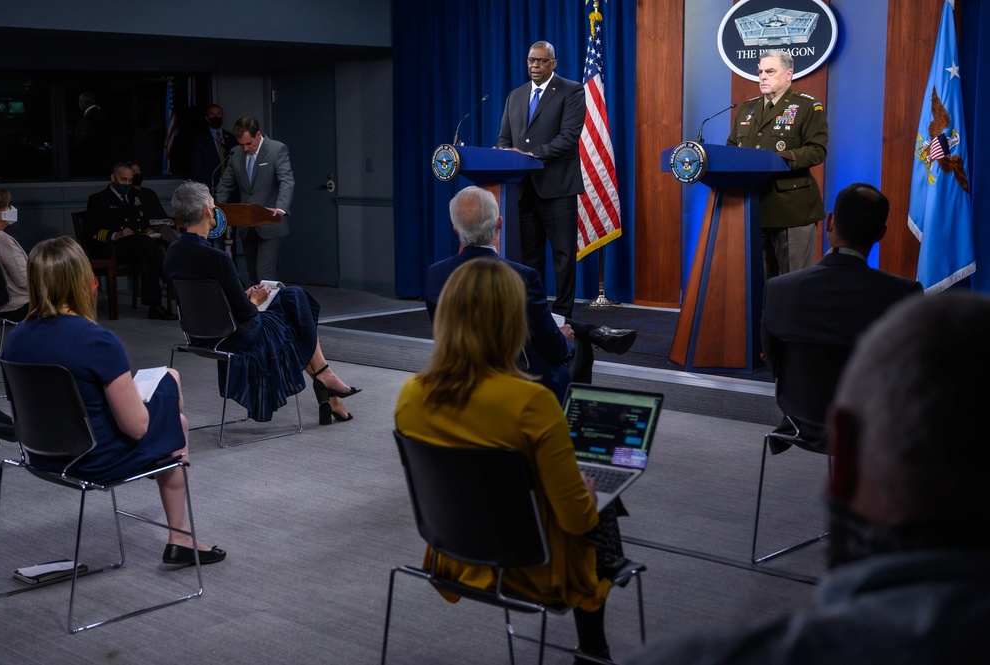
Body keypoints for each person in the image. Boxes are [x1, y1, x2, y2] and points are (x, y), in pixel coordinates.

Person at [626, 292, 990, 665]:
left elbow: (776, 359)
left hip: (801, 418)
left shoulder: (687, 659)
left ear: (845, 462)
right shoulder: (896, 293)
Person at [397, 258, 634, 664]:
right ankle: (594, 648)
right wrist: (588, 492)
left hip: (449, 552)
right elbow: (576, 520)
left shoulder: (411, 393)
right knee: (600, 507)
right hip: (532, 564)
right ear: (513, 322)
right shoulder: (532, 403)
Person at [1, 236, 225, 566]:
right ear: (83, 281)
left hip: (39, 456)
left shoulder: (15, 338)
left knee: (167, 384)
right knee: (176, 419)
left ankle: (175, 516)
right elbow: (136, 428)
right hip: (93, 461)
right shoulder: (97, 341)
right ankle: (180, 537)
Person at [164, 181, 358, 425]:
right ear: (206, 211)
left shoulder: (172, 253)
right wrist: (254, 299)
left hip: (198, 335)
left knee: (292, 299)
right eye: (213, 205)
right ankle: (324, 378)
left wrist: (240, 295)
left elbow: (204, 300)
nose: (215, 210)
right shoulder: (217, 258)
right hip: (235, 336)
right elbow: (245, 314)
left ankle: (327, 386)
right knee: (296, 301)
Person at [426, 186, 637, 401]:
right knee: (578, 348)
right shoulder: (523, 277)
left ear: (456, 230)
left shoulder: (435, 274)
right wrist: (563, 340)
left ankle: (592, 333)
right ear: (500, 223)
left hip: (458, 379)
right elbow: (551, 346)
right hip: (514, 384)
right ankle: (570, 425)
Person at [761, 182, 923, 375]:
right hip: (868, 403)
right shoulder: (904, 295)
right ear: (881, 234)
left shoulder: (778, 289)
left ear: (829, 222)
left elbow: (774, 365)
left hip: (798, 403)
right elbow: (911, 368)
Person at [497, 40, 585, 318]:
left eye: (540, 61)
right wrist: (502, 152)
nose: (534, 66)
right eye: (531, 60)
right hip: (524, 191)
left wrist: (528, 156)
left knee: (563, 257)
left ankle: (562, 315)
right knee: (530, 258)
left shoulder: (571, 91)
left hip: (558, 188)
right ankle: (535, 313)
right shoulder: (516, 95)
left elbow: (568, 138)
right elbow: (504, 138)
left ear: (553, 63)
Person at [727, 49, 828, 279]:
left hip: (792, 209)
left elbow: (817, 150)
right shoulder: (746, 109)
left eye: (770, 71)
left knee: (794, 283)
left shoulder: (807, 107)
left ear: (788, 74)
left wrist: (776, 160)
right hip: (753, 207)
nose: (762, 76)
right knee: (758, 284)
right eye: (760, 71)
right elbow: (732, 148)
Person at [85, 161, 178, 320]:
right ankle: (172, 280)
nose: (127, 184)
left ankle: (154, 305)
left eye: (129, 180)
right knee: (146, 245)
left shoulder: (134, 196)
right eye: (123, 180)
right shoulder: (98, 199)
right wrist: (117, 234)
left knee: (149, 246)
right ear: (113, 178)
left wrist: (149, 232)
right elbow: (92, 232)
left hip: (136, 245)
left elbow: (143, 224)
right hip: (110, 247)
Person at [214, 116, 294, 285]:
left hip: (269, 221)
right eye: (242, 144)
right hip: (246, 224)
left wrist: (280, 208)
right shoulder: (236, 153)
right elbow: (225, 184)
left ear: (258, 134)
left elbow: (287, 180)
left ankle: (271, 311)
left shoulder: (276, 149)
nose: (245, 148)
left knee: (264, 273)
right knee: (252, 274)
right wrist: (217, 209)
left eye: (248, 143)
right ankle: (257, 310)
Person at [0, 189, 30, 321]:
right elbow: (24, 280)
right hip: (14, 306)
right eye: (8, 206)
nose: (12, 209)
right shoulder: (0, 239)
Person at [128, 161, 180, 245]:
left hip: (157, 226)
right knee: (164, 229)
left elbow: (163, 216)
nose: (137, 174)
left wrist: (176, 221)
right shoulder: (125, 195)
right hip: (140, 230)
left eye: (139, 172)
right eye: (134, 172)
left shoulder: (149, 193)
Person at [190, 104, 239, 192]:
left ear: (223, 117)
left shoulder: (232, 138)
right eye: (212, 114)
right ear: (207, 118)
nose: (215, 117)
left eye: (218, 114)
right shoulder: (199, 140)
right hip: (209, 188)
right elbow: (197, 167)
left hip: (232, 189)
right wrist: (211, 186)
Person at [70, 91, 112, 177]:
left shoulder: (91, 116)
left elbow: (85, 138)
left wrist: (68, 147)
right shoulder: (97, 113)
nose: (78, 104)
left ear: (86, 102)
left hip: (92, 159)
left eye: (80, 101)